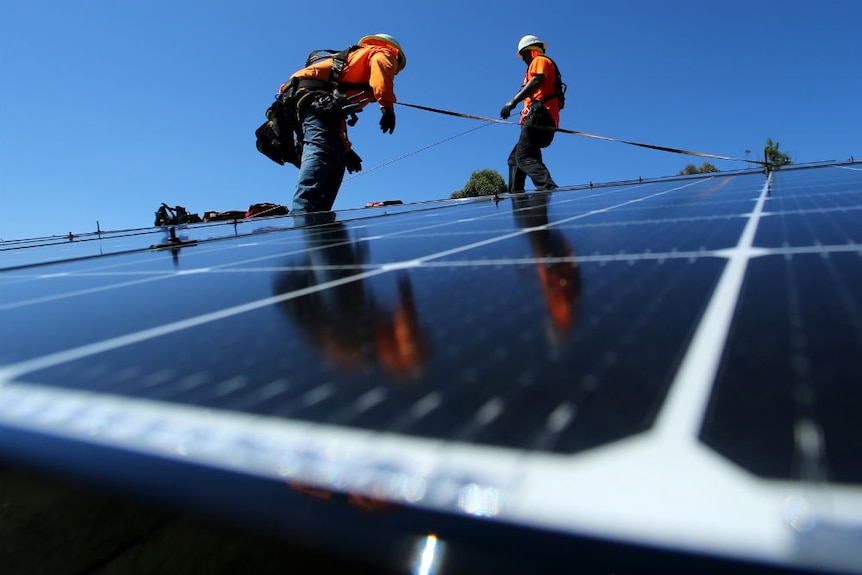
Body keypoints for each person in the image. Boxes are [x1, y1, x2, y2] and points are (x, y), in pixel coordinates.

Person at [281, 34, 406, 214]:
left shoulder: (355, 60)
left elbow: (334, 119)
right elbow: (381, 66)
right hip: (310, 95)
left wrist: (346, 150)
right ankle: (304, 212)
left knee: (336, 158)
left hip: (304, 100)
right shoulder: (383, 53)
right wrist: (386, 105)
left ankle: (319, 214)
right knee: (321, 151)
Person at [500, 35, 562, 194]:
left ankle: (549, 189)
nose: (523, 60)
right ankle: (516, 197)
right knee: (515, 159)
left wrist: (513, 102)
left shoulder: (540, 61)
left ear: (531, 51)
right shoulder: (537, 67)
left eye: (524, 55)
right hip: (543, 122)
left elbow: (537, 80)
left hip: (539, 118)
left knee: (524, 157)